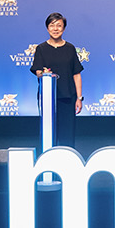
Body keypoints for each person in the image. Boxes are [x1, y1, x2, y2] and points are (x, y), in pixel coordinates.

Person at [29, 12, 84, 148]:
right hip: (48, 98)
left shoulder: (70, 48)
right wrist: (45, 74)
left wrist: (79, 98)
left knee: (68, 134)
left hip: (68, 97)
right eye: (52, 25)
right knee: (49, 133)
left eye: (59, 25)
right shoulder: (41, 48)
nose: (55, 29)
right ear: (47, 28)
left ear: (64, 28)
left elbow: (76, 74)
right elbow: (37, 71)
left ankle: (68, 161)